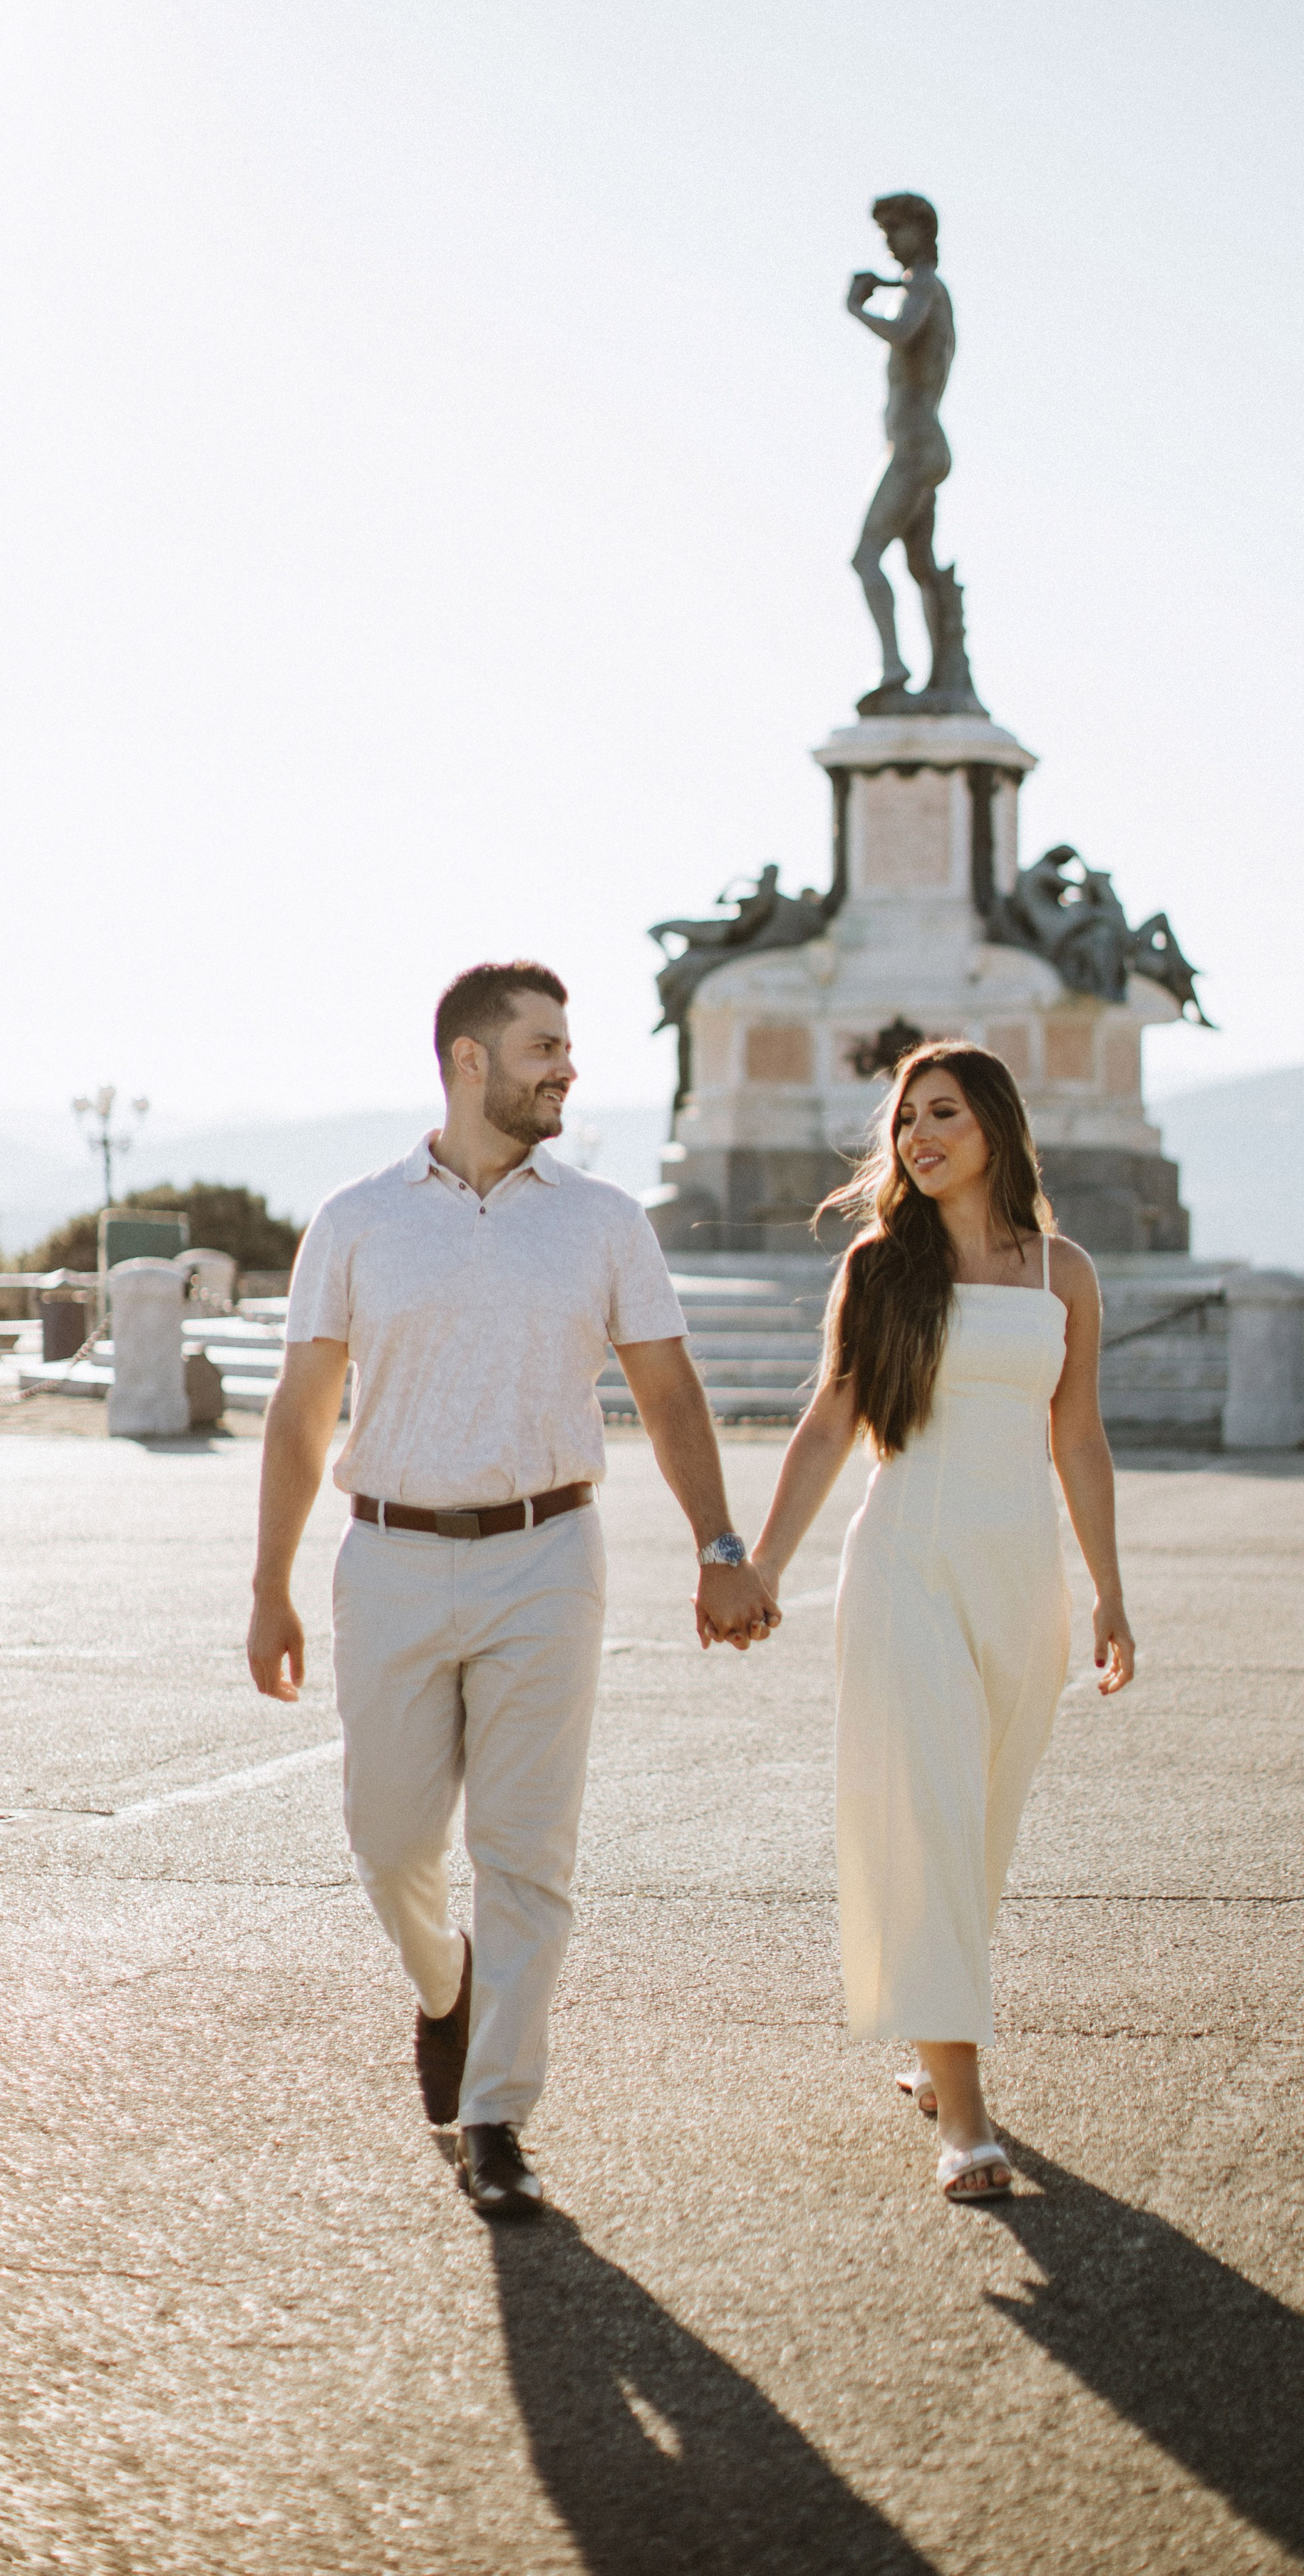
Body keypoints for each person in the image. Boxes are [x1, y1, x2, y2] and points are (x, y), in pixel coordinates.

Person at [244, 961, 778, 2220]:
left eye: (568, 1045)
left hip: (549, 1556)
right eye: (544, 1045)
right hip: (391, 1557)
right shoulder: (360, 1216)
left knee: (526, 1855)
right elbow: (302, 1409)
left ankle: (496, 2117)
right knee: (388, 1844)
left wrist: (718, 1548)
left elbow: (668, 1389)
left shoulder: (600, 1220)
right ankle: (446, 1987)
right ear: (470, 1060)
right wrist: (269, 1583)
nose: (568, 1066)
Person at [743, 1040, 1136, 2200]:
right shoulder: (879, 1269)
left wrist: (1110, 1590)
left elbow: (1081, 1436)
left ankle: (931, 2031)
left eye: (943, 1114)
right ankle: (965, 2119)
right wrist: (759, 1566)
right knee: (926, 1817)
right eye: (906, 1119)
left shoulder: (1063, 1272)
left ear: (996, 1129)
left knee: (976, 1836)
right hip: (905, 1565)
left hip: (1022, 1581)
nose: (916, 1136)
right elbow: (829, 1424)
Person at [847, 192, 957, 706]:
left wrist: (856, 309)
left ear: (921, 231)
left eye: (895, 231)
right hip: (920, 445)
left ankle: (893, 667)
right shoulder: (925, 287)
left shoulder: (924, 286)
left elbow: (901, 332)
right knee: (921, 569)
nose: (889, 243)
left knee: (866, 556)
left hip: (914, 447)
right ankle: (946, 678)